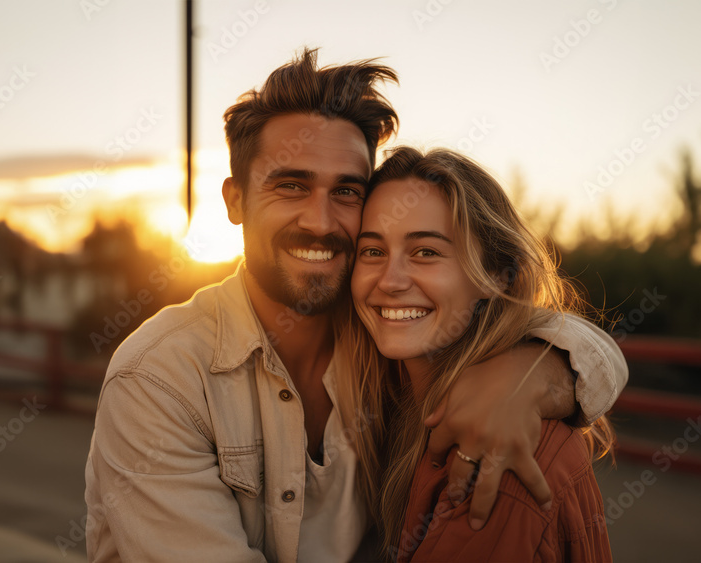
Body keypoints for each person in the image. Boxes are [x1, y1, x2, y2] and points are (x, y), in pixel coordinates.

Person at [84, 49, 626, 562]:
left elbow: (575, 340)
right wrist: (533, 377)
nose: (320, 221)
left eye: (346, 191)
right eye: (292, 186)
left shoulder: (389, 344)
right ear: (234, 200)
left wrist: (532, 376)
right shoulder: (158, 379)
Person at [343, 147, 614, 561]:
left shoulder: (501, 446)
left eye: (426, 252)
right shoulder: (387, 393)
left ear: (493, 276)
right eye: (373, 251)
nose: (390, 280)